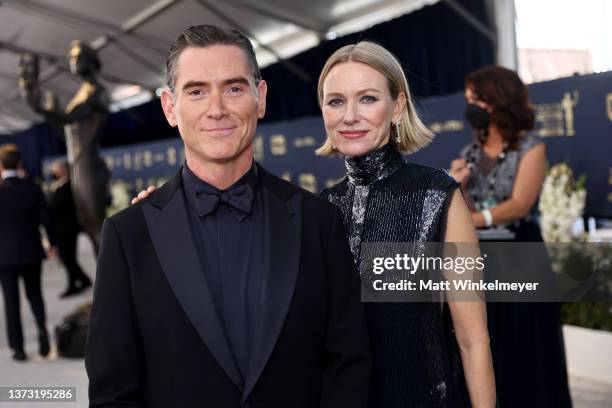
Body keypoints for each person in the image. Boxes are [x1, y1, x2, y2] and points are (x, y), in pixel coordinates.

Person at [134, 41, 496, 407]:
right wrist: (170, 217)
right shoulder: (318, 209)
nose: (350, 116)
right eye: (336, 101)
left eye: (368, 99)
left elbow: (473, 340)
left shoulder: (437, 198)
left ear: (398, 106)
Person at [85, 25, 370, 408]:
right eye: (197, 91)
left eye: (234, 88)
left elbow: (348, 365)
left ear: (261, 97)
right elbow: (112, 393)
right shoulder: (128, 236)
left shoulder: (318, 222)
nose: (216, 108)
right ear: (171, 107)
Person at [449, 65, 572, 407]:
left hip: (520, 256)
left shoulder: (530, 146)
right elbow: (463, 205)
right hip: (482, 259)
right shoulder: (470, 151)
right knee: (487, 341)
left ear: (496, 98)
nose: (470, 107)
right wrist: (455, 186)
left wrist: (475, 218)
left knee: (526, 343)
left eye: (475, 99)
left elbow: (519, 204)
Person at [0, 144, 56, 361]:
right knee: (35, 295)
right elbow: (46, 219)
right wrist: (53, 244)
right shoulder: (32, 188)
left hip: (4, 256)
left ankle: (19, 348)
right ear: (20, 163)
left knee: (11, 301)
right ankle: (42, 332)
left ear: (2, 165)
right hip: (31, 251)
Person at [47, 160, 92, 298]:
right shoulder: (58, 185)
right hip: (60, 227)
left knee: (68, 257)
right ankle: (82, 281)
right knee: (67, 258)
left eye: (55, 169)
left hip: (68, 228)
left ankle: (78, 282)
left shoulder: (70, 185)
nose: (53, 172)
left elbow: (61, 206)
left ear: (63, 170)